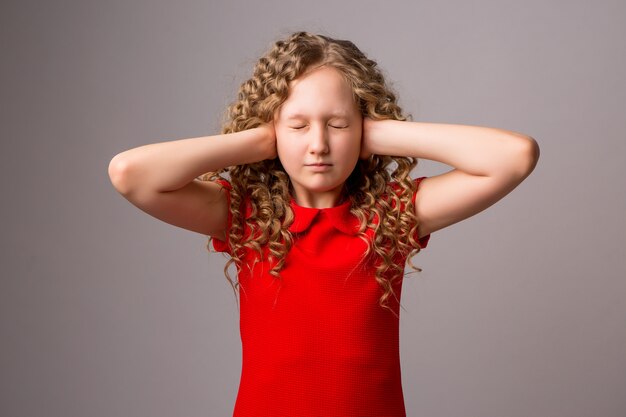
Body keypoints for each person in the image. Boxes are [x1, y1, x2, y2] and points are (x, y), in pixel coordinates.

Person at [108, 31, 539, 417]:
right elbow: (130, 174)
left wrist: (379, 135)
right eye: (297, 125)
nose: (318, 145)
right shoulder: (247, 216)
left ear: (362, 126)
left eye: (337, 125)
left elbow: (514, 157)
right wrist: (259, 139)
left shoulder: (391, 214)